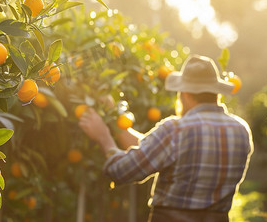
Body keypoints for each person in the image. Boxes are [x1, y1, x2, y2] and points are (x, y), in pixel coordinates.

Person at [78, 55, 253, 222]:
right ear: (216, 93)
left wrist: (104, 137)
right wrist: (114, 114)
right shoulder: (241, 131)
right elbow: (154, 150)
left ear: (184, 94)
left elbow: (122, 170)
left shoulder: (176, 130)